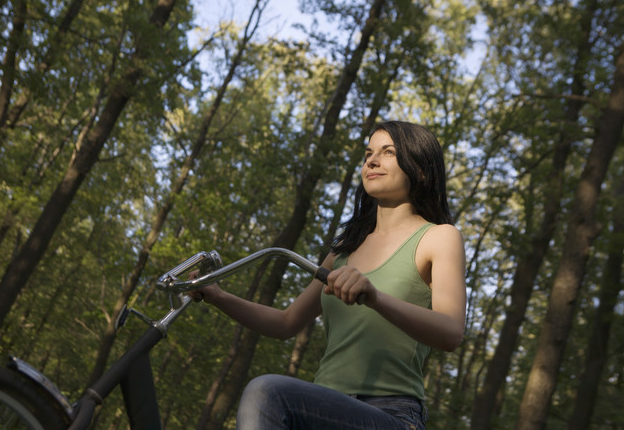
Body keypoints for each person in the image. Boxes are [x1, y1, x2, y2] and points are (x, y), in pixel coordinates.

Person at [191, 121, 466, 429]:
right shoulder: (342, 254)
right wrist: (217, 296)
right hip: (321, 409)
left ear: (421, 169)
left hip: (393, 414)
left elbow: (451, 331)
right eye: (368, 154)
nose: (372, 161)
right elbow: (285, 323)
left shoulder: (439, 237)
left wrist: (374, 297)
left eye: (388, 152)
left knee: (266, 392)